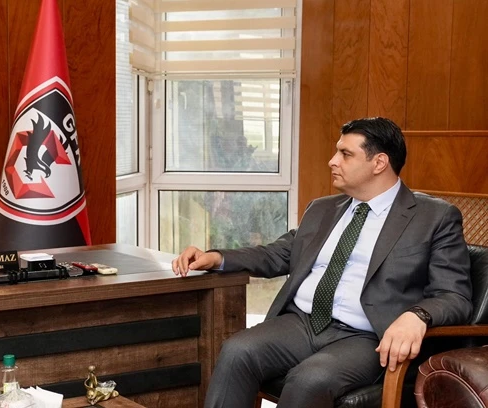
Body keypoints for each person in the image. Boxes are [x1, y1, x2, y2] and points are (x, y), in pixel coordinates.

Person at [172, 117, 472, 408]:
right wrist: (217, 257)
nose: (332, 161)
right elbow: (280, 253)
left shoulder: (434, 218)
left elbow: (454, 295)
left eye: (345, 154)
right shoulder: (322, 209)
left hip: (367, 336)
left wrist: (417, 315)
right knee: (237, 350)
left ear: (379, 163)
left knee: (309, 379)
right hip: (302, 322)